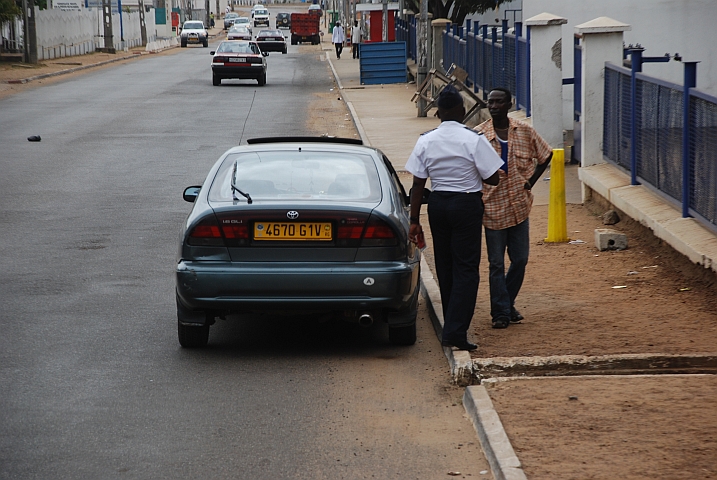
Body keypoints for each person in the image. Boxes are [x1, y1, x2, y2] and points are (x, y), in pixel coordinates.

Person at [406, 85, 503, 351]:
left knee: (445, 266)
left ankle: (451, 324)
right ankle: (456, 333)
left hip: (437, 205)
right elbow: (493, 178)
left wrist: (414, 220)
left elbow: (417, 184)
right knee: (467, 270)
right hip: (466, 205)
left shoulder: (426, 140)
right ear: (461, 111)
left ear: (439, 113)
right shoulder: (474, 139)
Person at [473, 87, 553, 329]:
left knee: (520, 260)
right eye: (491, 102)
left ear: (509, 104)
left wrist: (531, 181)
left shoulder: (525, 131)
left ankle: (506, 303)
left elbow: (546, 155)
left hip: (519, 206)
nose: (494, 106)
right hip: (493, 209)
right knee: (496, 263)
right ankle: (500, 313)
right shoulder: (478, 136)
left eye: (499, 102)